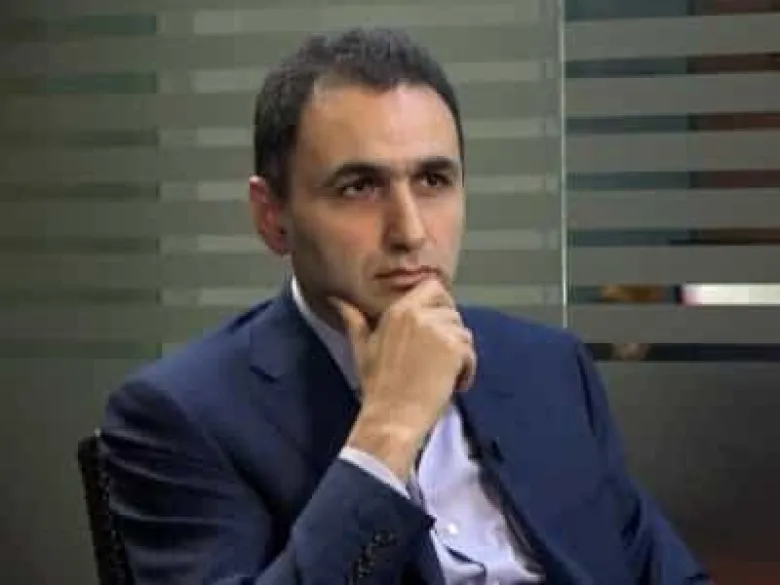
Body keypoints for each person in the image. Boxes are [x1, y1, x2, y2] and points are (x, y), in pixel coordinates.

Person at [100, 28, 710, 585]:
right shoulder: (181, 415)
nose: (411, 231)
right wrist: (388, 431)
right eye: (359, 187)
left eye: (433, 181)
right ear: (272, 217)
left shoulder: (548, 367)